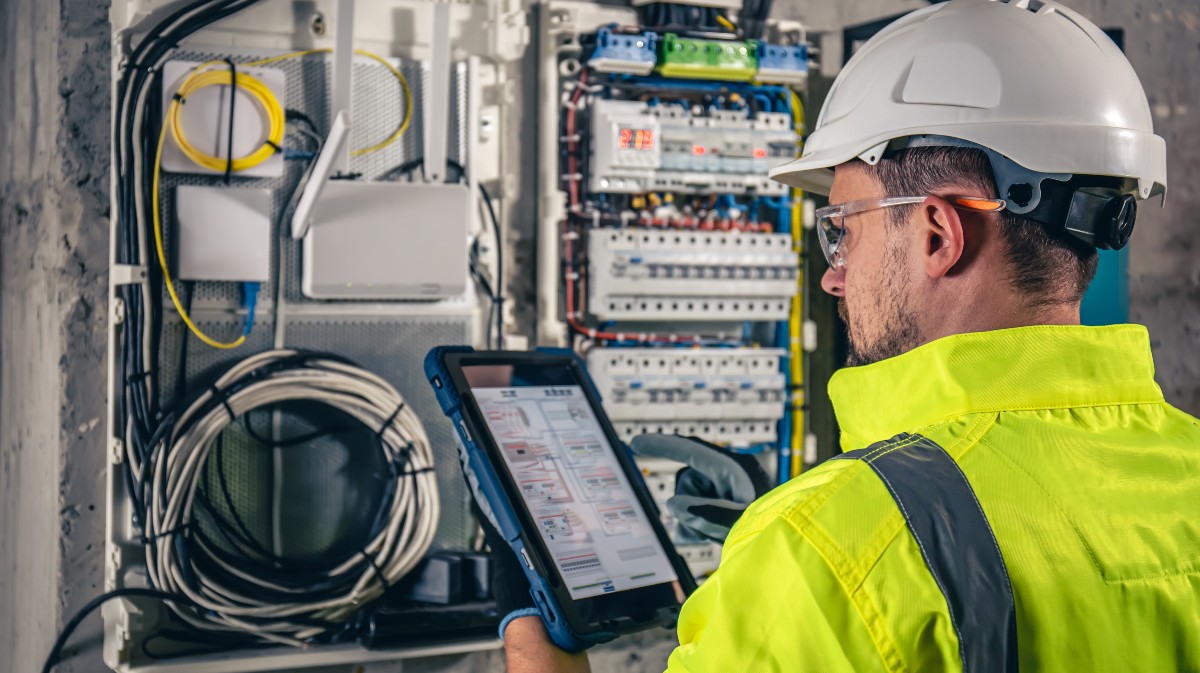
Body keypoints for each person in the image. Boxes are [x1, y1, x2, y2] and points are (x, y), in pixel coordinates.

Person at [493, 0, 1200, 670]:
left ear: (935, 234)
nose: (834, 278)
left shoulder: (821, 555)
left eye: (843, 231)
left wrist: (533, 632)